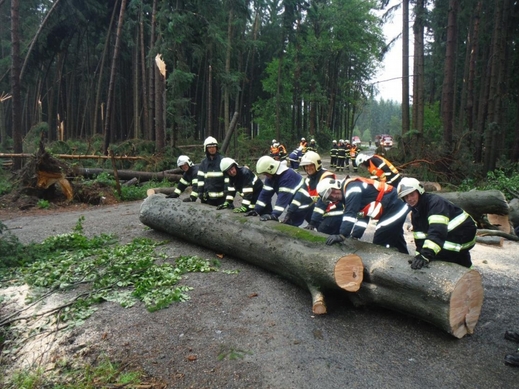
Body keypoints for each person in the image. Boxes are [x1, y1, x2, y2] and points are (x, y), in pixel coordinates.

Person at [397, 177, 477, 269]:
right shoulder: (416, 210)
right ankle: (469, 270)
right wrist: (419, 256)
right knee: (452, 255)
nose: (410, 199)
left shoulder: (435, 203)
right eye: (406, 197)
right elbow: (419, 236)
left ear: (419, 191)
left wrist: (426, 255)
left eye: (412, 194)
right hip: (449, 233)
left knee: (441, 254)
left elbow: (437, 231)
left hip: (464, 233)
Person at [317, 177, 410, 253]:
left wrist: (342, 235)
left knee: (380, 239)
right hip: (391, 206)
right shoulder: (347, 195)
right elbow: (362, 216)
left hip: (395, 204)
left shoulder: (352, 188)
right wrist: (355, 235)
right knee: (396, 236)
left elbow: (350, 213)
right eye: (329, 197)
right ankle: (405, 260)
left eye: (331, 192)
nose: (333, 196)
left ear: (336, 185)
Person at [282, 151, 335, 227]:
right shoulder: (309, 179)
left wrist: (313, 222)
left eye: (310, 165)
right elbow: (299, 197)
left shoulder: (326, 177)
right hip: (322, 211)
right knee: (303, 208)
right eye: (305, 166)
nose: (308, 168)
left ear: (317, 164)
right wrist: (289, 213)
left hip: (333, 213)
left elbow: (323, 202)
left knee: (324, 231)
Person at [245, 155, 304, 222]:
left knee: (313, 223)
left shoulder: (287, 176)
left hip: (305, 202)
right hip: (294, 202)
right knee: (291, 223)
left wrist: (274, 215)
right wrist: (256, 210)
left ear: (271, 168)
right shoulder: (271, 176)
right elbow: (265, 194)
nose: (266, 175)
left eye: (266, 173)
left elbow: (282, 198)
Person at [197, 136, 227, 207]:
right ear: (206, 149)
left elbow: (227, 178)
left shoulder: (223, 161)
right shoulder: (203, 163)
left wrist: (227, 192)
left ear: (216, 148)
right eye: (209, 147)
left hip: (222, 198)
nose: (212, 149)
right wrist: (200, 192)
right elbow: (200, 180)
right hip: (208, 199)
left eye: (213, 147)